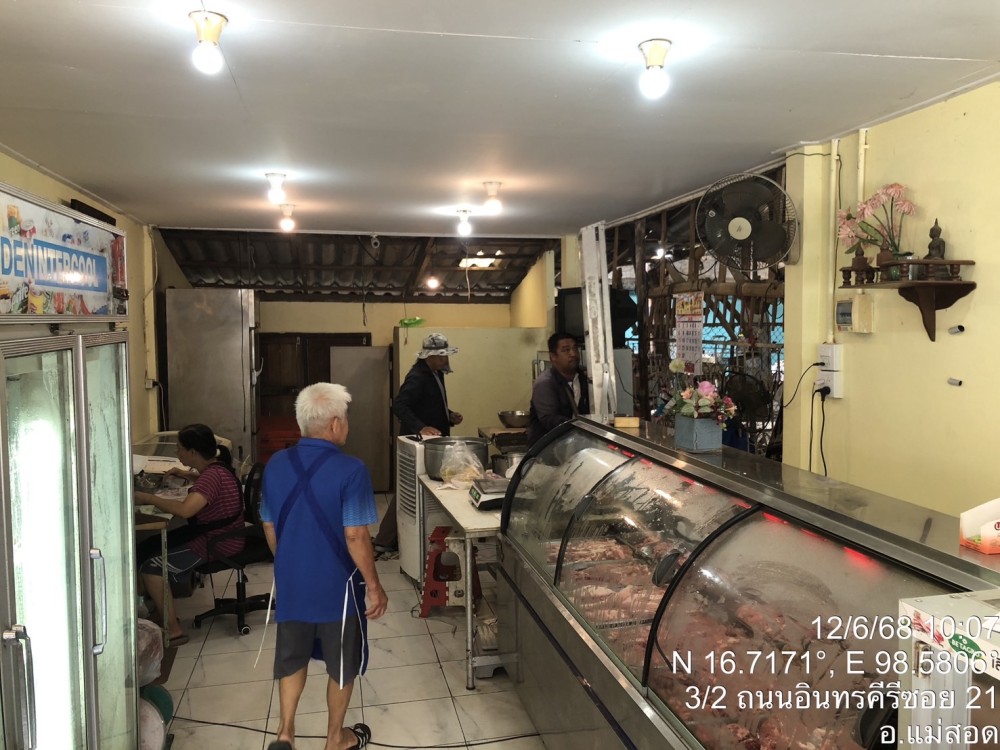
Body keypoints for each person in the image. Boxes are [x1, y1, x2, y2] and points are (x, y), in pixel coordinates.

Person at [260, 382, 387, 750]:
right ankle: (335, 739)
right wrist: (375, 587)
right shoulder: (352, 470)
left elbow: (269, 525)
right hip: (339, 589)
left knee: (292, 657)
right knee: (342, 662)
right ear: (334, 424)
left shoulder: (276, 465)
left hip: (292, 585)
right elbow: (356, 536)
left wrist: (289, 563)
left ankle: (285, 733)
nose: (347, 425)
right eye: (345, 419)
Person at [135, 424, 244, 645]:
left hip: (217, 542)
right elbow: (205, 486)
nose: (177, 452)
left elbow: (185, 510)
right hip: (222, 534)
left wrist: (148, 498)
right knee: (146, 546)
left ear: (192, 452)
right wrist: (184, 474)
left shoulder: (210, 477)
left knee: (152, 566)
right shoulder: (217, 468)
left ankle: (174, 629)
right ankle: (160, 612)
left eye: (179, 448)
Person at [372, 333, 463, 553]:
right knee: (408, 489)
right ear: (428, 356)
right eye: (440, 356)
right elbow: (400, 406)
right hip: (418, 444)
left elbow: (431, 403)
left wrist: (449, 415)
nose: (445, 360)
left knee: (425, 488)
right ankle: (384, 540)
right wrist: (420, 427)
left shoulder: (436, 373)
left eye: (445, 356)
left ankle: (413, 536)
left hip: (434, 441)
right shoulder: (418, 376)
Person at [526, 332, 590, 447]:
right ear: (553, 357)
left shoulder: (584, 378)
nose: (573, 354)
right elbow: (549, 419)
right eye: (566, 350)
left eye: (575, 348)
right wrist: (580, 427)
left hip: (575, 444)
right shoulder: (545, 383)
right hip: (547, 449)